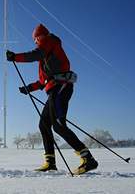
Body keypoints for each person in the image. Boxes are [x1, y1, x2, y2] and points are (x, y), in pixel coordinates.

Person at [6, 24, 98, 175]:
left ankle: (88, 159)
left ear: (40, 36)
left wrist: (15, 57)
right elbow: (43, 81)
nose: (37, 42)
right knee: (44, 124)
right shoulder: (46, 57)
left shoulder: (49, 41)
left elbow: (34, 55)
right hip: (53, 90)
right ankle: (50, 163)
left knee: (59, 126)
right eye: (36, 40)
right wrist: (29, 88)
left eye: (37, 39)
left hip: (61, 87)